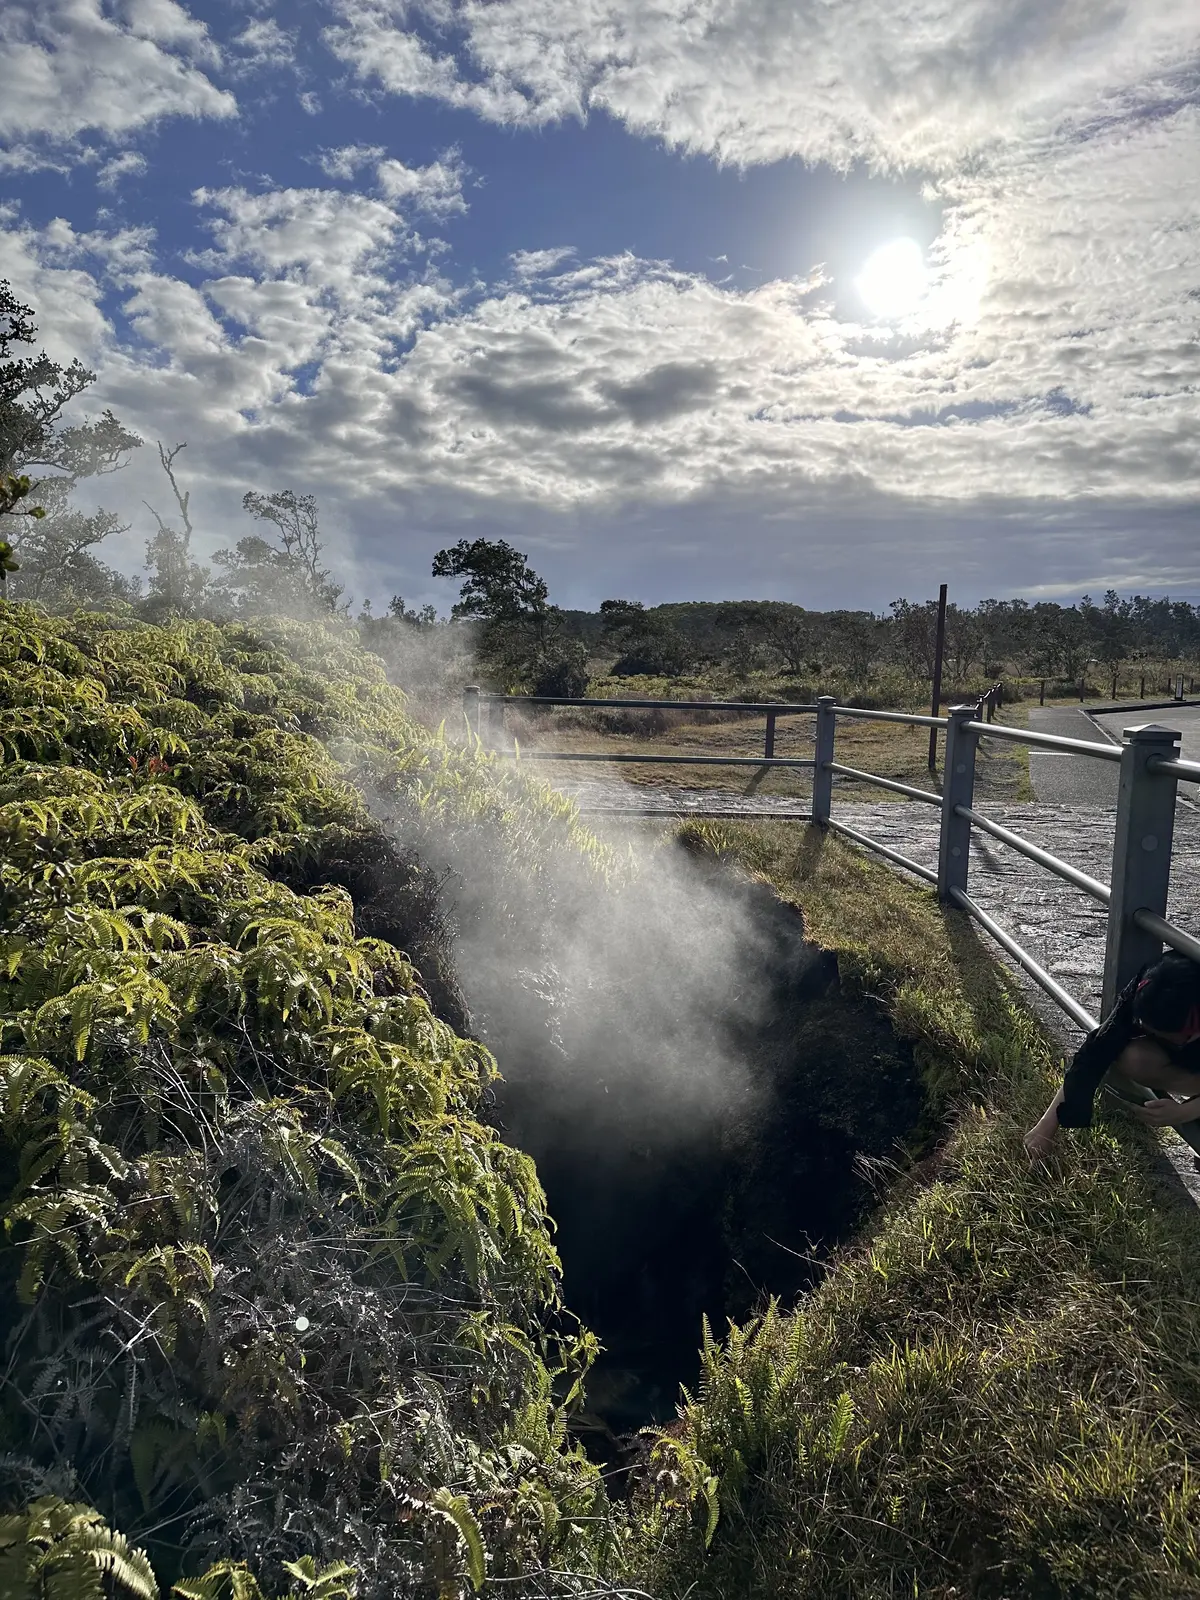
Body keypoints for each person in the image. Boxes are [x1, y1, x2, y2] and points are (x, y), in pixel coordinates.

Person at [1024, 950, 1200, 1164]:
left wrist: (1184, 1112)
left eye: (1178, 1039)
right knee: (1132, 1056)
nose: (1173, 1044)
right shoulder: (1151, 987)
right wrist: (1046, 1126)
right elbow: (1097, 1049)